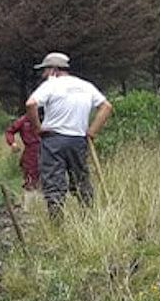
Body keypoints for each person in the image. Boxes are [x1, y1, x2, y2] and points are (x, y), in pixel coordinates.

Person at [25, 52, 112, 215]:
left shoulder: (51, 85)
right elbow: (106, 107)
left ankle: (56, 222)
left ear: (54, 70)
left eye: (45, 70)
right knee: (80, 180)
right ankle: (89, 217)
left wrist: (37, 128)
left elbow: (30, 104)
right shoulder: (86, 86)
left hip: (53, 140)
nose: (44, 75)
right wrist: (91, 131)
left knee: (54, 182)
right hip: (78, 140)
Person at [4, 109, 41, 204]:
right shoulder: (24, 120)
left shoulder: (48, 117)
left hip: (48, 150)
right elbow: (9, 131)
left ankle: (42, 206)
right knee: (30, 179)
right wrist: (12, 143)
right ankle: (29, 207)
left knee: (46, 178)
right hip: (30, 152)